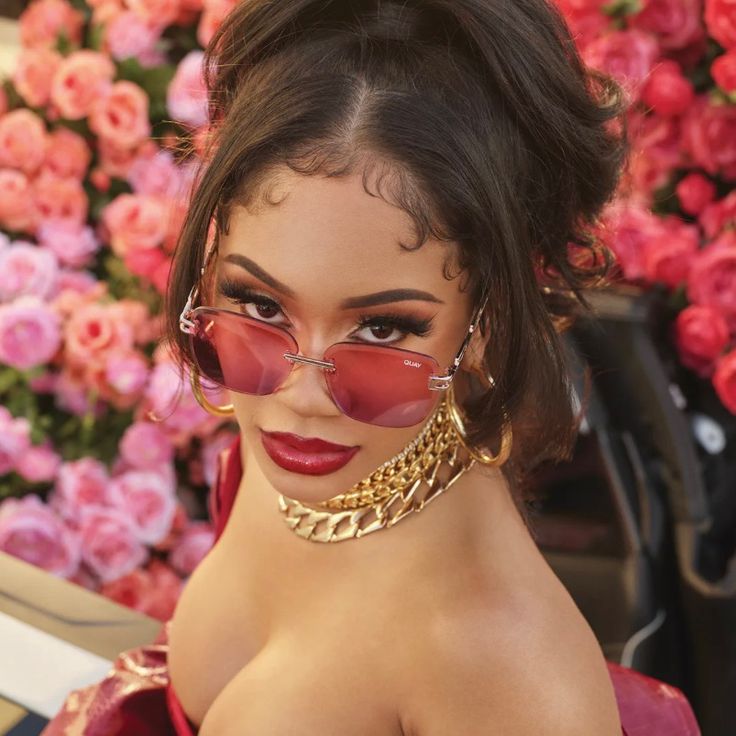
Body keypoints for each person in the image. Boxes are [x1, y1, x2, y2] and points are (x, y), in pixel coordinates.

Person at [42, 0, 702, 734]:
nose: (302, 394)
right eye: (260, 306)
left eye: (382, 327)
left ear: (488, 319)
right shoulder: (310, 464)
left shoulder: (502, 666)